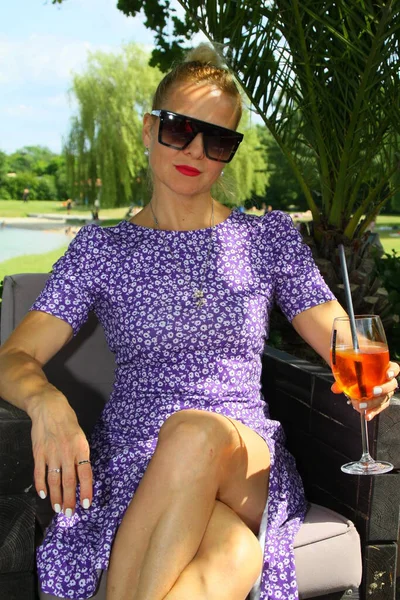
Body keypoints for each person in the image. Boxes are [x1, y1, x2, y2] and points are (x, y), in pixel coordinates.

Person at [0, 44, 398, 600]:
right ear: (148, 129)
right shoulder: (102, 249)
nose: (195, 149)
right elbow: (14, 358)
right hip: (134, 458)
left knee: (194, 431)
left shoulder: (267, 240)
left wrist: (368, 362)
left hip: (245, 458)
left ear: (229, 152)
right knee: (233, 555)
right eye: (180, 128)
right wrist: (48, 403)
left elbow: (337, 332)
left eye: (217, 139)